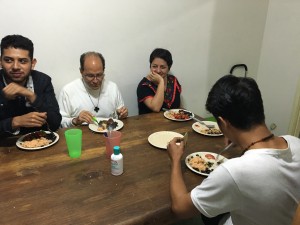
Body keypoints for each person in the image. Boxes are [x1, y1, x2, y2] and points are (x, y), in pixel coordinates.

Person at [167, 75, 300, 225]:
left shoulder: (234, 173)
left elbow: (180, 208)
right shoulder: (295, 142)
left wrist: (176, 159)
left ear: (223, 123)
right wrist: (240, 140)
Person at [0, 34, 61, 137]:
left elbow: (55, 123)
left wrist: (31, 96)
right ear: (1, 61)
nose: (15, 67)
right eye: (8, 60)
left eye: (22, 61)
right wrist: (14, 122)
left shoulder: (43, 80)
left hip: (40, 142)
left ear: (32, 63)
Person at [58, 51, 128, 127]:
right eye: (90, 76)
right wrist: (75, 120)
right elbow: (60, 121)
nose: (95, 80)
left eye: (99, 75)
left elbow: (120, 116)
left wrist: (122, 114)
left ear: (103, 70)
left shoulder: (112, 87)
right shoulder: (68, 91)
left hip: (109, 134)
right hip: (81, 136)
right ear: (81, 71)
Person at [136, 48, 181, 114]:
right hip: (150, 123)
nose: (158, 71)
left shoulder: (173, 81)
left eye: (163, 67)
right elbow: (156, 108)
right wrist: (161, 82)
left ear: (169, 68)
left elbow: (178, 108)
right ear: (150, 66)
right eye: (154, 66)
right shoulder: (144, 85)